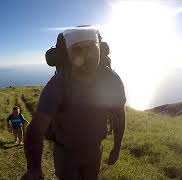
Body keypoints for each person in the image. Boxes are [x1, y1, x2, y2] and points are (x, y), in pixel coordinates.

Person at [22, 28, 126, 180]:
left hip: (94, 150)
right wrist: (34, 168)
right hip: (66, 153)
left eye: (91, 47)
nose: (87, 55)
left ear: (100, 48)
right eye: (77, 49)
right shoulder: (58, 84)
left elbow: (119, 115)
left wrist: (117, 148)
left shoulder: (110, 79)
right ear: (67, 55)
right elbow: (36, 128)